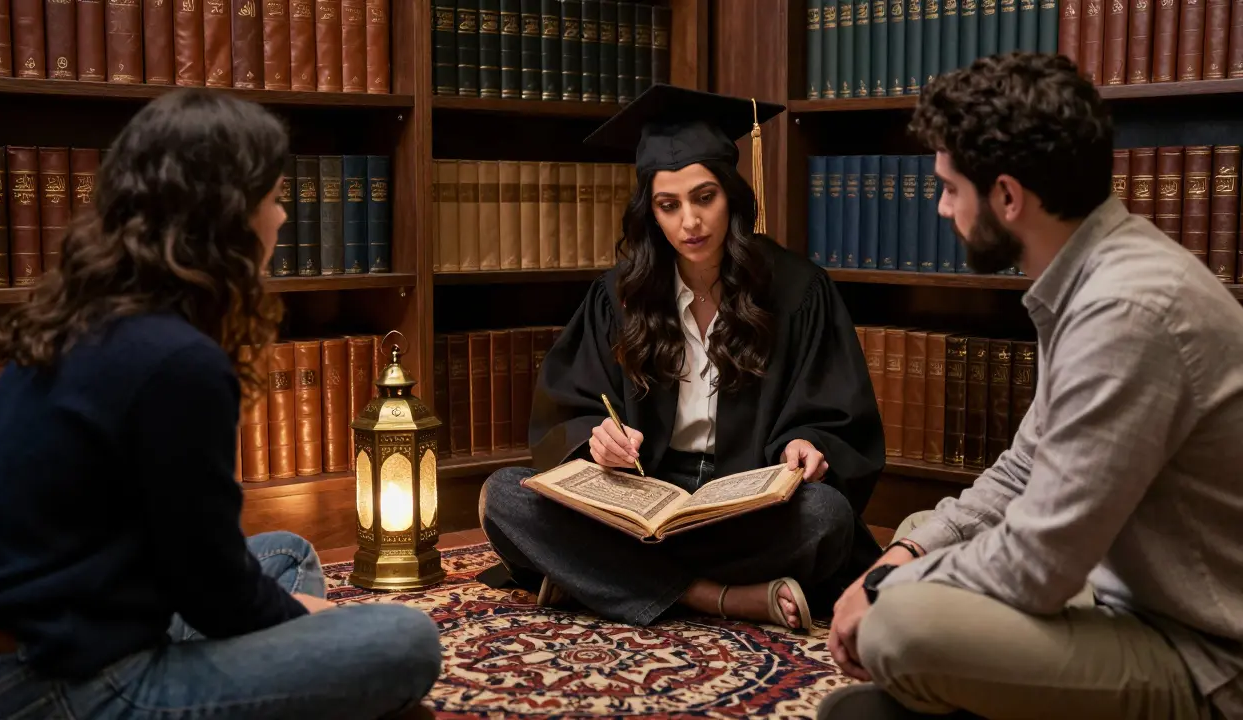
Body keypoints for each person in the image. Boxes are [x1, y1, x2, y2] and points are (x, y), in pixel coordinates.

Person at [0, 89, 441, 719]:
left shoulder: (84, 321)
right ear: (228, 216)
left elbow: (183, 552)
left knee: (287, 554)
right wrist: (306, 620)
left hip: (28, 641)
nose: (282, 218)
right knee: (406, 639)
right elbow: (217, 598)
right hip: (58, 679)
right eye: (272, 198)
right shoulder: (176, 360)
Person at [818, 52, 1243, 720]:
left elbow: (1040, 567)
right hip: (1118, 595)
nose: (940, 207)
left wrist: (884, 587)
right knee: (925, 529)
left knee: (901, 627)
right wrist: (907, 554)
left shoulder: (1127, 310)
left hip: (1202, 656)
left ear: (1009, 197)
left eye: (951, 187)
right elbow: (1023, 469)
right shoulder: (1092, 274)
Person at [478, 84, 886, 633]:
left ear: (732, 196)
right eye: (669, 206)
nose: (689, 222)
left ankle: (596, 577)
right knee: (503, 495)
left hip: (744, 507)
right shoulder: (621, 294)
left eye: (704, 197)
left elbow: (837, 418)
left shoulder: (797, 291)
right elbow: (567, 412)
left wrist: (806, 443)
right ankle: (718, 597)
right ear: (652, 212)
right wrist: (596, 440)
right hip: (640, 501)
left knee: (825, 518)